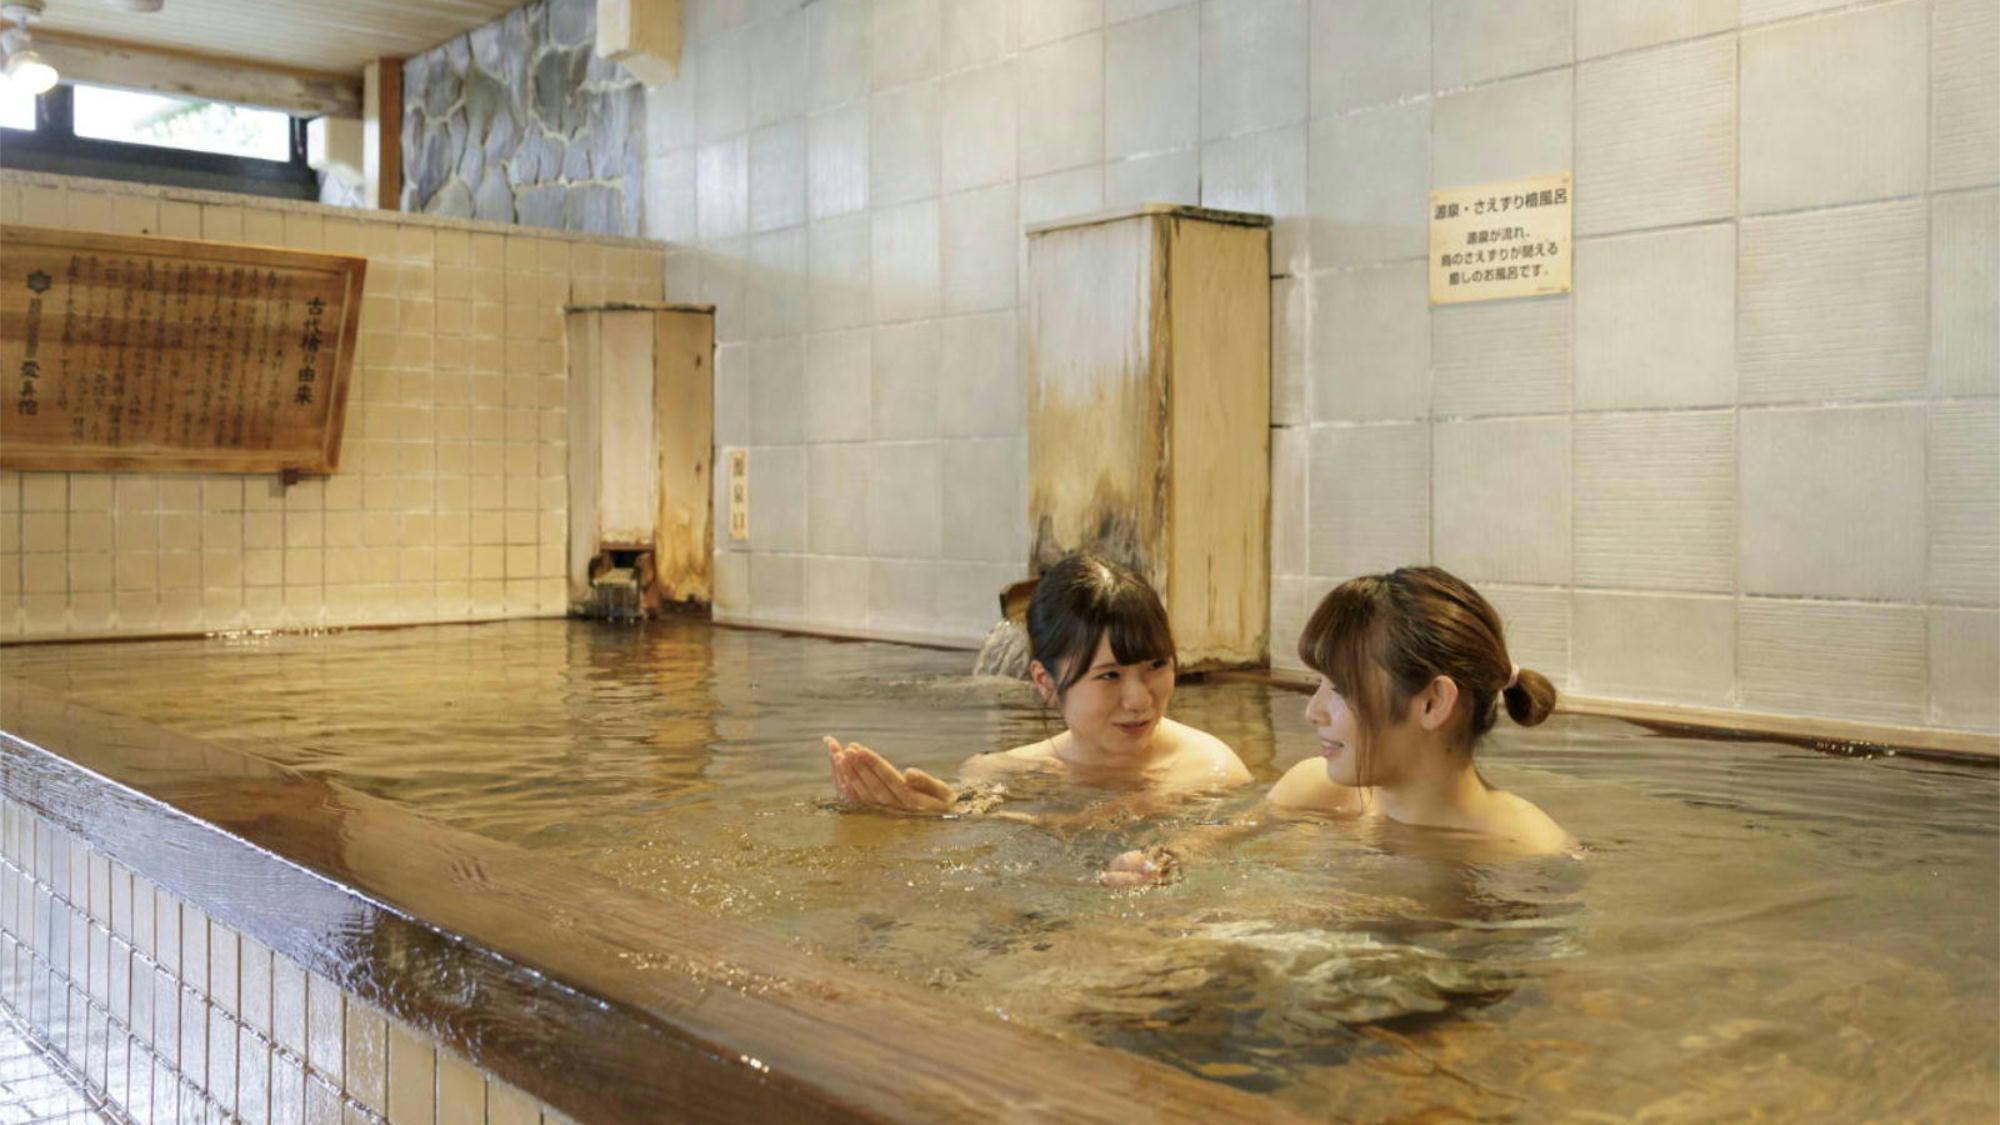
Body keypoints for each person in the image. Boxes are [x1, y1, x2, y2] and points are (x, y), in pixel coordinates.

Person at [1104, 566, 1573, 884]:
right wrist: (1156, 864)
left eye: (1342, 689)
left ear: (1433, 702)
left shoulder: (1528, 852)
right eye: (1318, 683)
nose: (1314, 711)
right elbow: (1208, 844)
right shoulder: (1316, 790)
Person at [824, 552, 1252, 814]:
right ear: (1045, 681)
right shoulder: (1001, 772)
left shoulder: (1210, 771)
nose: (1140, 699)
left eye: (1156, 666)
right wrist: (913, 818)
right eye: (1109, 675)